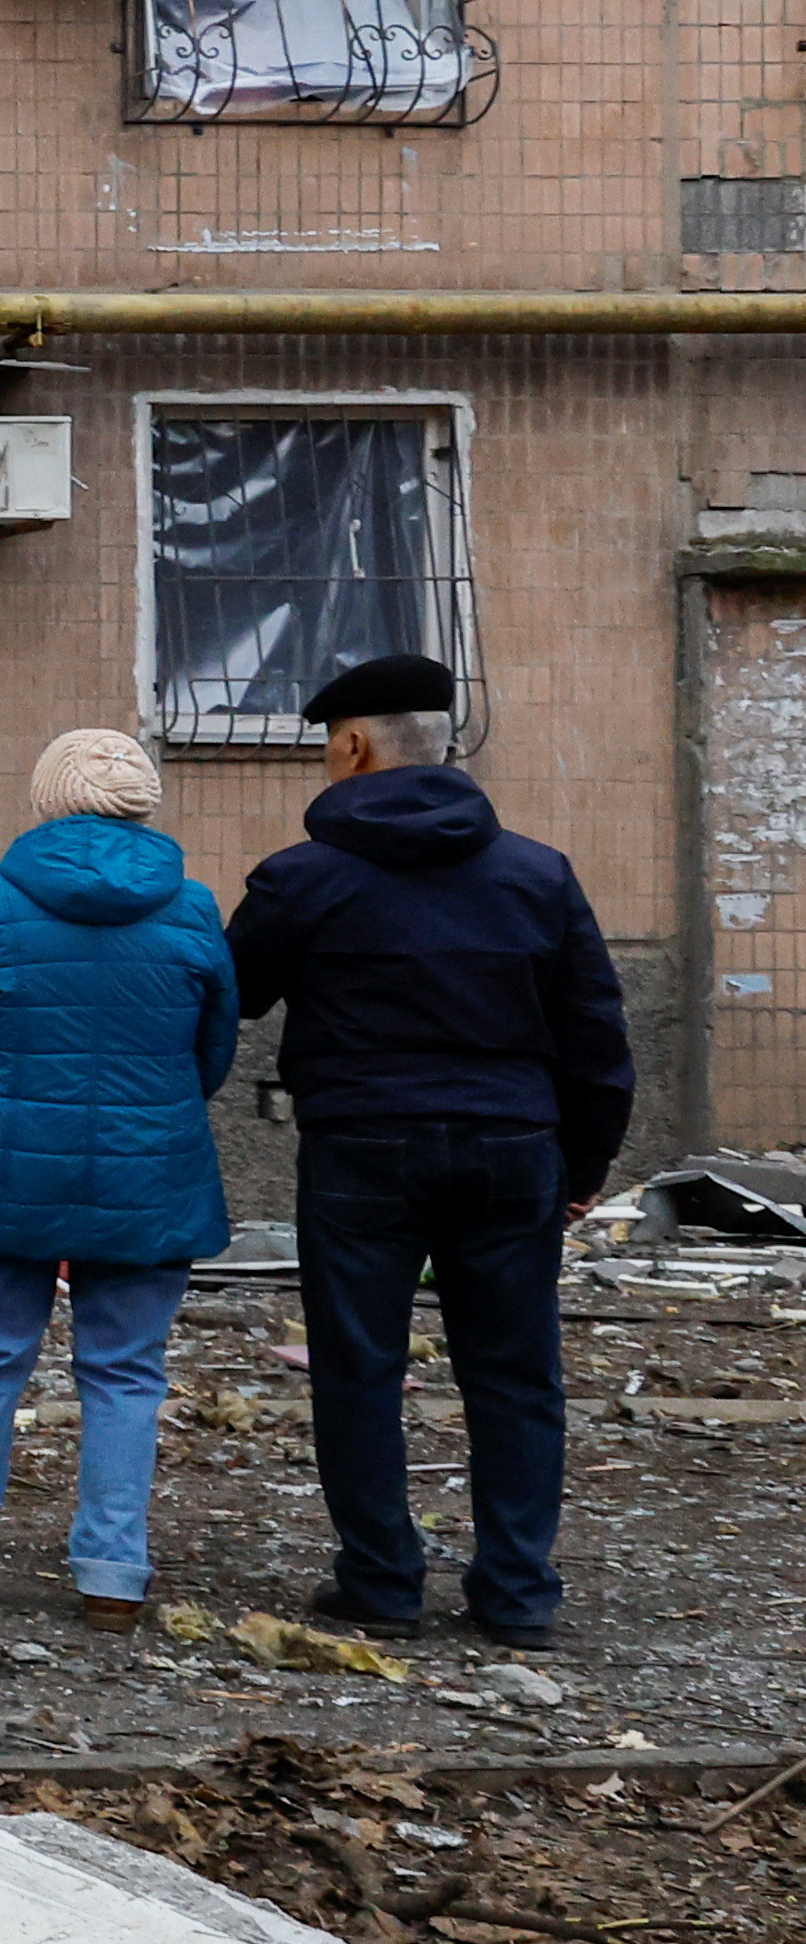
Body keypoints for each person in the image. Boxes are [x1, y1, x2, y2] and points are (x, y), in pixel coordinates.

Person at [231, 652, 630, 1654]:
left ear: (353, 746)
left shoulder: (302, 878)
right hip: (511, 1148)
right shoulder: (538, 875)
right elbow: (595, 1036)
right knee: (515, 1374)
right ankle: (516, 1593)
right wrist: (582, 1169)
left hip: (361, 1149)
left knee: (357, 1367)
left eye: (330, 748)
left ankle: (380, 1581)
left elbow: (233, 990)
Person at [0, 728, 236, 1625]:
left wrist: (3, 1094)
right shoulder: (193, 906)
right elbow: (212, 1049)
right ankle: (112, 1576)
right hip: (147, 1168)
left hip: (1, 1164)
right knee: (126, 1373)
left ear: (48, 799)